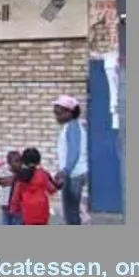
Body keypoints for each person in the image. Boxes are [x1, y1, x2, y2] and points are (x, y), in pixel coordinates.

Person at [52, 95, 89, 225]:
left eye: (59, 114)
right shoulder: (71, 126)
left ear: (69, 112)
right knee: (71, 212)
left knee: (71, 213)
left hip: (74, 174)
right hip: (73, 173)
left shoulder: (73, 127)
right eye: (55, 114)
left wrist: (65, 171)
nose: (57, 117)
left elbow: (74, 152)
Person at [10, 148, 61, 226]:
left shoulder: (20, 175)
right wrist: (60, 182)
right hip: (42, 211)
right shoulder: (43, 174)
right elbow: (52, 189)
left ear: (23, 161)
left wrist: (13, 209)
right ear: (38, 160)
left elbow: (15, 195)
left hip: (27, 211)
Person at [0, 151, 22, 225]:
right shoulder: (5, 173)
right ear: (9, 163)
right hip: (6, 208)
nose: (19, 163)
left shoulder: (22, 174)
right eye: (16, 161)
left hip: (18, 210)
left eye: (20, 161)